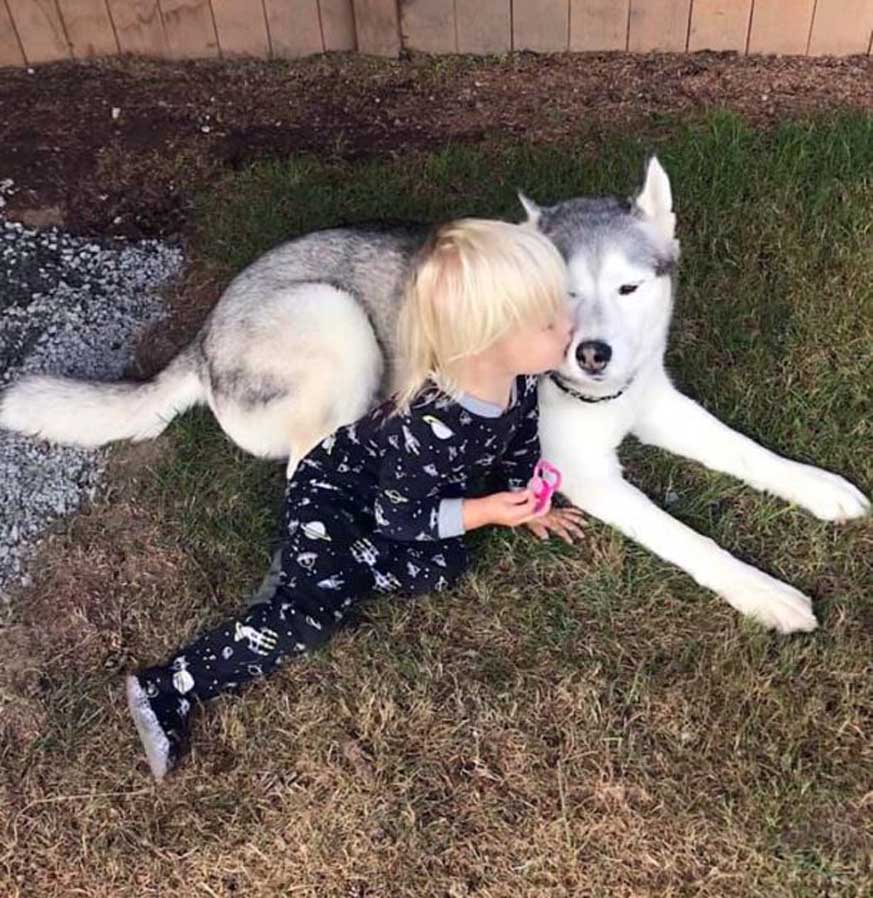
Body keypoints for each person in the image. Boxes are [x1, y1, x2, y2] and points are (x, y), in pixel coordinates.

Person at [126, 218, 587, 781]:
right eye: (550, 319)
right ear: (487, 340)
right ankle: (170, 685)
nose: (573, 324)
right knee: (309, 618)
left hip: (387, 493)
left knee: (444, 563)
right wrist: (489, 510)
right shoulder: (433, 424)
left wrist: (528, 495)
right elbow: (401, 514)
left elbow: (519, 433)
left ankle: (348, 564)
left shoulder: (516, 377)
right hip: (332, 489)